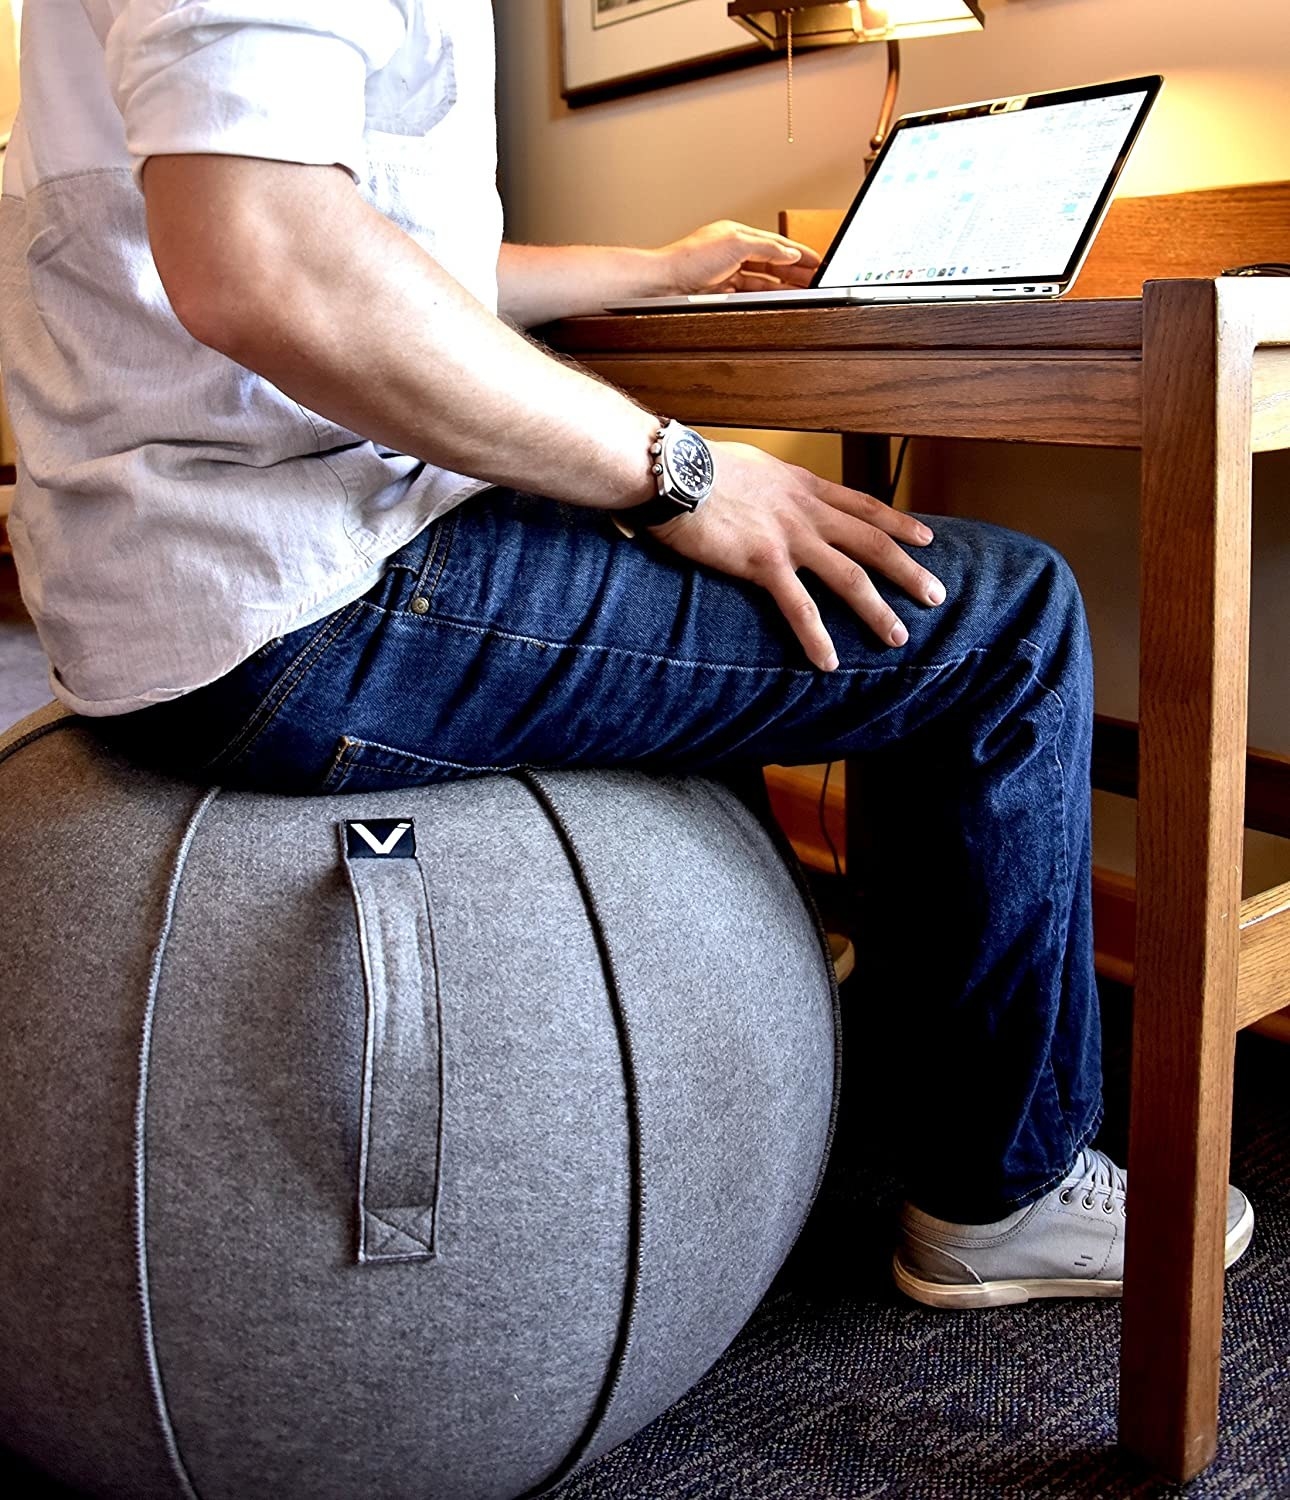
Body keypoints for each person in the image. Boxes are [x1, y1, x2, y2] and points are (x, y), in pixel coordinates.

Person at [0, 3, 1250, 1306]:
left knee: (861, 591)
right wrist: (678, 472)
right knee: (1003, 622)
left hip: (171, 573)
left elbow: (371, 250)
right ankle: (1010, 1189)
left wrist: (662, 268)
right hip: (289, 596)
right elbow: (268, 263)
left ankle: (897, 1028)